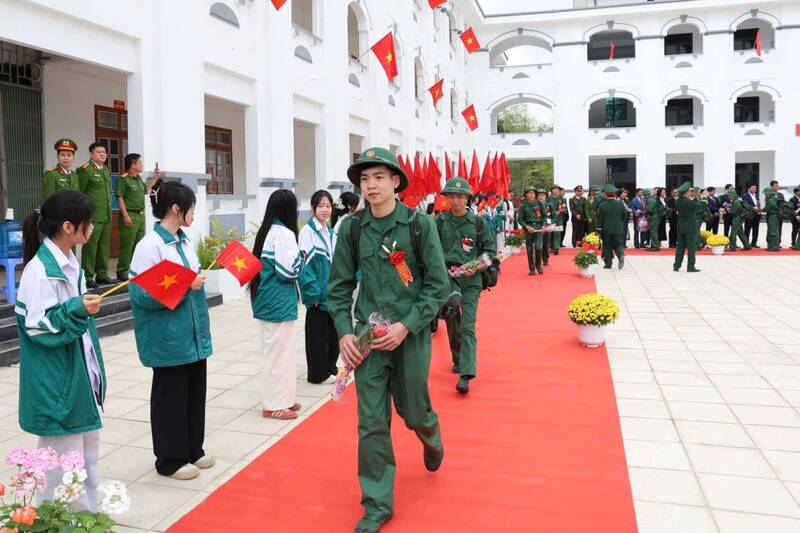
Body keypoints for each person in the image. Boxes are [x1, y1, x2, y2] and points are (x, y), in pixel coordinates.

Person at [328, 147, 448, 533]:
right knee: (371, 422)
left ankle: (429, 435)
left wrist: (406, 325)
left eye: (379, 177)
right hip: (368, 338)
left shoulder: (418, 224)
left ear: (396, 182)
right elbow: (339, 287)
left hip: (407, 335)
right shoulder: (352, 228)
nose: (371, 185)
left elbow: (437, 286)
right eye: (364, 179)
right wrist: (345, 331)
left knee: (412, 410)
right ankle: (377, 503)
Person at [16, 190, 105, 510]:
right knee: (63, 462)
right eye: (87, 223)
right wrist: (76, 309)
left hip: (78, 373)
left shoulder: (70, 263)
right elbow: (38, 327)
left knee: (86, 451)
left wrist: (80, 308)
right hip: (58, 380)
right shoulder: (39, 272)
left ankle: (89, 518)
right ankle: (60, 520)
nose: (92, 228)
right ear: (68, 227)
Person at [129, 180, 214, 481]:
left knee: (194, 393)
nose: (194, 213)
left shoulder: (184, 241)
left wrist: (192, 282)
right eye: (191, 208)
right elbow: (141, 295)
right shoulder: (149, 246)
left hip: (191, 333)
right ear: (177, 209)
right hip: (168, 337)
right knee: (170, 399)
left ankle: (193, 449)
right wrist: (185, 284)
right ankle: (170, 459)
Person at [436, 177, 497, 394]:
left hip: (471, 280)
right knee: (452, 316)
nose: (455, 200)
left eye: (460, 196)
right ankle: (458, 358)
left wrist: (477, 265)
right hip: (448, 278)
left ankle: (466, 374)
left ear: (468, 198)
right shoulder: (439, 222)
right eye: (451, 196)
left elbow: (490, 253)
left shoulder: (479, 223)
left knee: (467, 326)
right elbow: (430, 251)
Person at [249, 189, 305, 419]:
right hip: (278, 300)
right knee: (278, 353)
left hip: (267, 298)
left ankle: (285, 398)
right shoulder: (283, 234)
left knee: (280, 351)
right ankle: (274, 404)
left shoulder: (267, 232)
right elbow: (287, 271)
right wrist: (301, 259)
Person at [299, 189, 339, 385]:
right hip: (317, 296)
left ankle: (330, 367)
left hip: (331, 294)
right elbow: (304, 267)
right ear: (313, 208)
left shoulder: (330, 231)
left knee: (332, 335)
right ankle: (318, 374)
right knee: (317, 337)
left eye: (328, 206)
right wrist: (313, 294)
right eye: (321, 206)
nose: (325, 210)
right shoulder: (307, 232)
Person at [116, 154, 160, 281]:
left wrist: (155, 179)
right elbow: (120, 197)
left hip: (140, 215)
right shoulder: (123, 179)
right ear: (133, 165)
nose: (141, 165)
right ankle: (122, 271)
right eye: (139, 163)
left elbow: (146, 191)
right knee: (127, 245)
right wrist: (125, 215)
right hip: (130, 215)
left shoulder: (138, 179)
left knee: (138, 245)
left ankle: (134, 269)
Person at [77, 143, 113, 288]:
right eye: (99, 152)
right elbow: (80, 193)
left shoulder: (105, 170)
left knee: (104, 247)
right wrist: (84, 215)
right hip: (93, 216)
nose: (103, 154)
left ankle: (102, 275)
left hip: (106, 215)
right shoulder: (85, 170)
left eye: (104, 152)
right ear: (92, 154)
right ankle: (88, 276)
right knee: (91, 247)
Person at [673, 182, 704, 272]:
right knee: (691, 248)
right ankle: (691, 267)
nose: (691, 192)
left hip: (681, 227)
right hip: (690, 227)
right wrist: (699, 197)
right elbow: (699, 206)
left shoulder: (678, 201)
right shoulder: (689, 203)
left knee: (680, 248)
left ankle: (676, 266)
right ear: (686, 192)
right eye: (690, 191)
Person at [596, 185, 625, 269]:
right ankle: (621, 255)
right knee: (618, 244)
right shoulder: (620, 204)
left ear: (605, 194)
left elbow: (600, 219)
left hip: (606, 229)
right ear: (615, 194)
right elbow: (624, 217)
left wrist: (598, 229)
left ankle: (608, 264)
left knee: (607, 246)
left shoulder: (602, 205)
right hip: (618, 229)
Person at [518, 186, 540, 274]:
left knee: (538, 247)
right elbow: (520, 219)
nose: (531, 195)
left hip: (538, 228)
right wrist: (527, 227)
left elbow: (545, 215)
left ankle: (538, 265)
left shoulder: (539, 203)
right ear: (526, 195)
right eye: (529, 193)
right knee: (529, 249)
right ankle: (531, 269)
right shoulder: (523, 206)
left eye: (533, 193)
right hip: (528, 228)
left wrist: (543, 225)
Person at [548, 185, 565, 255]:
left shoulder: (561, 198)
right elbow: (546, 207)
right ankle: (550, 247)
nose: (556, 190)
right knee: (550, 233)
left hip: (559, 218)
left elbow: (563, 208)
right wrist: (552, 213)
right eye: (555, 189)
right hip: (550, 218)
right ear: (551, 191)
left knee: (557, 233)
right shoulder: (548, 199)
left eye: (558, 189)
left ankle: (556, 248)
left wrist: (558, 212)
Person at [763, 187, 780, 252]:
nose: (765, 195)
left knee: (773, 232)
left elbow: (767, 208)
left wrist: (761, 209)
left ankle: (774, 247)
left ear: (769, 193)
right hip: (772, 216)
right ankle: (771, 246)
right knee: (771, 231)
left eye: (766, 193)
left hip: (773, 216)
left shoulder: (771, 200)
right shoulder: (773, 199)